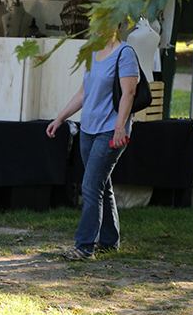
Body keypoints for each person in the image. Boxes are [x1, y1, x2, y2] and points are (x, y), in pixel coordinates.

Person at [46, 35, 138, 260]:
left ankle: (84, 246)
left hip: (110, 131)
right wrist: (60, 118)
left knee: (90, 186)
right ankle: (109, 240)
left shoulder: (125, 54)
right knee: (101, 185)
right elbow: (83, 93)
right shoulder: (93, 52)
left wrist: (120, 128)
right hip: (88, 129)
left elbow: (129, 93)